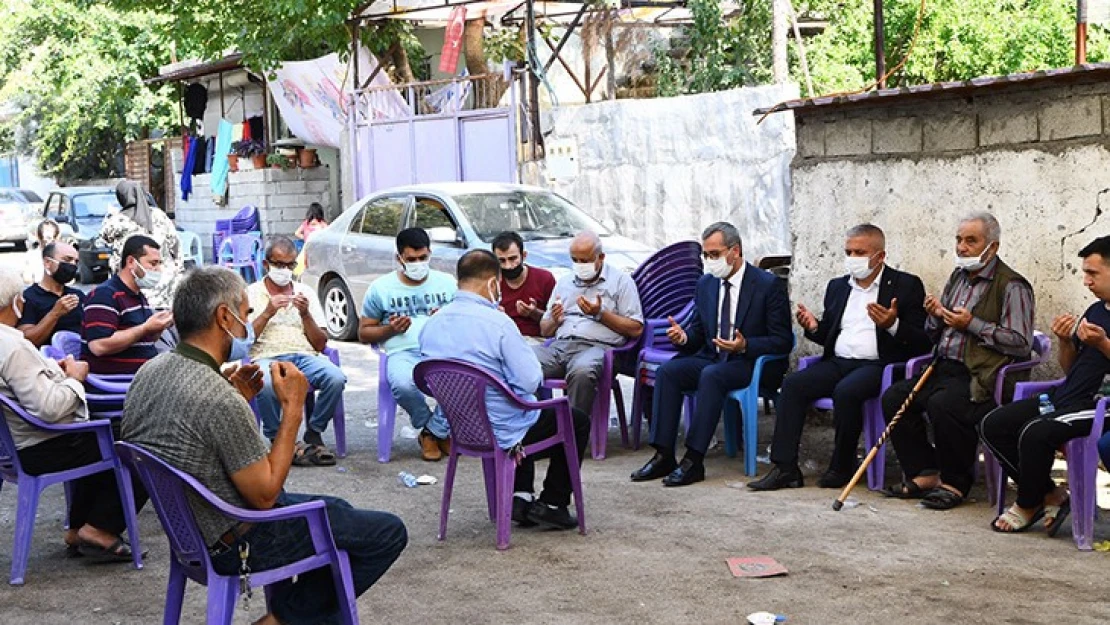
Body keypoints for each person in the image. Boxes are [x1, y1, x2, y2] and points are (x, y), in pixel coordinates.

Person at [121, 267, 406, 625]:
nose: (249, 322)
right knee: (386, 532)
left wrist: (236, 397)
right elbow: (266, 495)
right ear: (224, 316)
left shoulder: (151, 370)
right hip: (236, 540)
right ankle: (279, 620)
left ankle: (293, 612)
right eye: (246, 311)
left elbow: (192, 438)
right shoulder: (215, 398)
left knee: (340, 511)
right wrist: (293, 411)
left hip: (189, 533)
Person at [748, 224, 931, 491]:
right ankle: (785, 468)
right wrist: (813, 327)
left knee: (847, 392)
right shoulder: (837, 287)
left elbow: (922, 341)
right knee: (792, 385)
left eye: (860, 252)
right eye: (849, 252)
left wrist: (892, 324)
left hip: (879, 365)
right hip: (838, 362)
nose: (853, 258)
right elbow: (829, 335)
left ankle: (842, 465)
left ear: (880, 256)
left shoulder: (906, 286)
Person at [421, 250, 590, 528]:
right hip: (504, 429)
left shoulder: (433, 323)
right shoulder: (498, 323)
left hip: (461, 427)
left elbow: (427, 379)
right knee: (573, 419)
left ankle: (521, 497)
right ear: (492, 283)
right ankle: (553, 504)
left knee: (519, 405)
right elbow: (530, 379)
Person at [881, 212, 1034, 510]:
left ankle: (955, 482)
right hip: (945, 367)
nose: (962, 248)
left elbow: (1021, 343)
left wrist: (973, 324)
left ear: (992, 247)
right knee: (895, 398)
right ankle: (926, 471)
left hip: (984, 374)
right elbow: (934, 334)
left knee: (945, 405)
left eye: (971, 241)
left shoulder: (1013, 285)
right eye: (959, 240)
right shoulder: (958, 278)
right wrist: (936, 316)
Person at [0, 269, 146, 561]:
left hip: (19, 446)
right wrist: (74, 377)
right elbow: (50, 408)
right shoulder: (12, 346)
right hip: (40, 447)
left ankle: (78, 528)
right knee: (144, 442)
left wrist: (55, 371)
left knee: (108, 432)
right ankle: (100, 529)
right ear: (14, 302)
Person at [631, 222, 792, 487]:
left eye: (715, 254)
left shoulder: (767, 285)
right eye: (706, 255)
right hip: (713, 356)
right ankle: (664, 454)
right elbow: (698, 331)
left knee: (712, 375)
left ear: (735, 251)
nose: (709, 261)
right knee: (670, 372)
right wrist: (683, 338)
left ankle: (694, 459)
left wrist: (744, 345)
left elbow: (782, 340)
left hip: (750, 362)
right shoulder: (706, 284)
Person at [979, 235, 1110, 533]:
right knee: (994, 424)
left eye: (1093, 273)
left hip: (1099, 404)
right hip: (1067, 395)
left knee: (1036, 433)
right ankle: (1050, 493)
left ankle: (1027, 503)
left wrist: (1103, 344)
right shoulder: (1097, 310)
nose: (1086, 282)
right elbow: (1070, 368)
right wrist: (1065, 341)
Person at [359, 228, 457, 461]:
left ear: (430, 254)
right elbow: (363, 333)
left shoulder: (447, 283)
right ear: (399, 258)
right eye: (411, 260)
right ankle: (431, 430)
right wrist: (390, 329)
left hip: (442, 351)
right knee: (403, 384)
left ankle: (434, 432)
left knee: (463, 380)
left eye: (422, 258)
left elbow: (465, 321)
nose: (417, 264)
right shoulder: (381, 288)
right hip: (403, 352)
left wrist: (446, 318)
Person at [248, 236, 345, 466]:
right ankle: (277, 437)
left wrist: (305, 314)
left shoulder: (305, 292)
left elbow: (320, 344)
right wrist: (267, 312)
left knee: (336, 378)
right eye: (278, 265)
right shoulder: (250, 293)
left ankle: (314, 431)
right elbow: (245, 339)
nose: (284, 271)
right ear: (266, 265)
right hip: (266, 355)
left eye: (289, 265)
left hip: (303, 355)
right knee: (267, 383)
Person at [534, 231, 643, 420]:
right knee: (520, 361)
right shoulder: (564, 282)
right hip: (560, 346)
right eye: (575, 260)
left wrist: (599, 314)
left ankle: (573, 438)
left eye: (585, 260)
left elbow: (636, 328)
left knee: (582, 371)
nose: (580, 265)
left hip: (598, 348)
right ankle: (535, 431)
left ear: (600, 257)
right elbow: (544, 330)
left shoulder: (621, 282)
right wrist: (554, 320)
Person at [82, 235, 174, 375]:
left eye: (159, 264)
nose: (158, 270)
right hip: (118, 382)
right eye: (153, 263)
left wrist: (159, 327)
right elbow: (99, 345)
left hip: (145, 375)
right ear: (131, 261)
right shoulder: (104, 295)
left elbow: (145, 339)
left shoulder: (138, 296)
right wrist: (144, 328)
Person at [98, 180, 182, 310]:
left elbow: (104, 238)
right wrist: (177, 269)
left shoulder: (116, 220)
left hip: (131, 284)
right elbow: (175, 245)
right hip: (164, 285)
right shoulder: (159, 215)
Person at [18, 241, 87, 348]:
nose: (72, 265)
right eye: (67, 260)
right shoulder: (28, 297)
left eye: (76, 261)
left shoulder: (77, 295)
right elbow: (27, 341)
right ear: (47, 262)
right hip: (46, 361)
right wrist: (55, 313)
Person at [491, 231, 556, 341]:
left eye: (513, 259)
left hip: (537, 341)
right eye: (501, 261)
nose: (508, 266)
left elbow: (555, 321)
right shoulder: (492, 282)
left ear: (524, 255)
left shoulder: (544, 279)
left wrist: (533, 313)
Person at [22, 219, 60, 285]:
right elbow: (27, 278)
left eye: (50, 238)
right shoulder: (31, 255)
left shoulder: (60, 255)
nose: (47, 241)